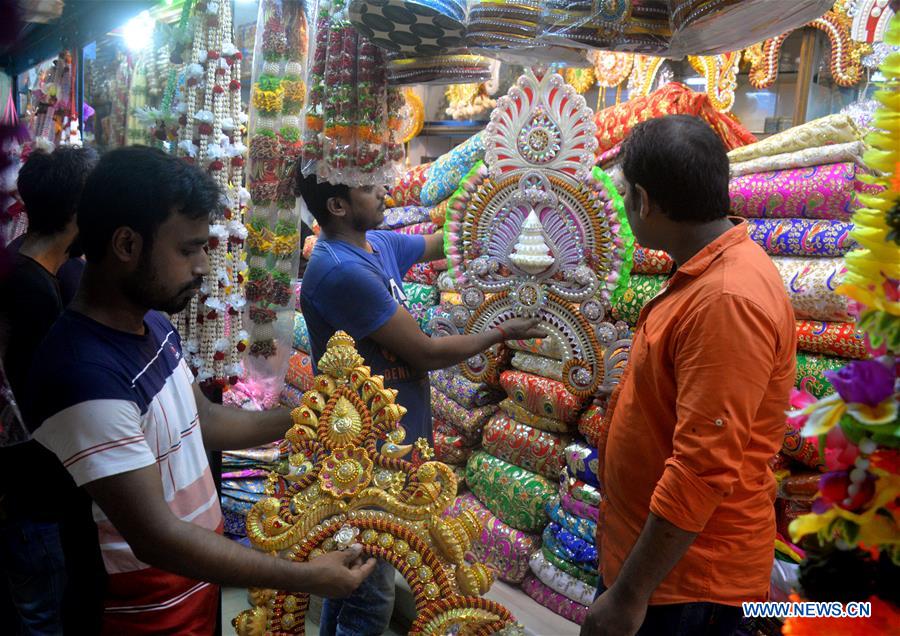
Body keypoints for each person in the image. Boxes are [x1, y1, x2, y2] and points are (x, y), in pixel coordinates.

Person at [23, 147, 376, 635]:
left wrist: (313, 416)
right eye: (188, 249)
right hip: (138, 618)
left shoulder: (150, 324)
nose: (204, 266)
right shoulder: (84, 376)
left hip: (191, 597)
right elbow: (157, 537)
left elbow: (204, 420)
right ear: (126, 244)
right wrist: (305, 576)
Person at [295, 172, 544, 636]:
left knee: (353, 581)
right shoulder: (341, 270)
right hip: (365, 457)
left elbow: (442, 244)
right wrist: (500, 332)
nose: (384, 192)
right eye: (368, 188)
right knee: (371, 593)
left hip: (392, 444)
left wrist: (511, 212)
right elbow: (425, 353)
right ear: (338, 206)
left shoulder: (376, 244)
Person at [581, 115, 796, 636]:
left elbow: (701, 468)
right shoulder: (702, 272)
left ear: (645, 202)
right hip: (664, 573)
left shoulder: (726, 300)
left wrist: (629, 595)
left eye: (625, 192)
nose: (624, 202)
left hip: (689, 587)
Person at [0, 145, 98, 636]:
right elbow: (43, 406)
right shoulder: (29, 290)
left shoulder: (43, 268)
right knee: (45, 620)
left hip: (40, 495)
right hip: (33, 499)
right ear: (79, 211)